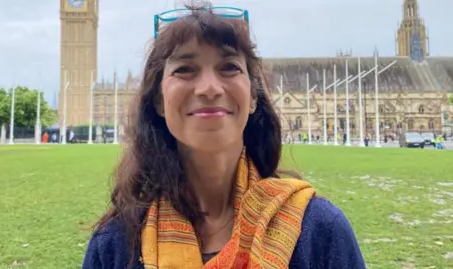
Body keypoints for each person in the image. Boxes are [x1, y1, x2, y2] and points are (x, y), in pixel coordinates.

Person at [82, 3, 365, 269]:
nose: (209, 88)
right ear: (158, 100)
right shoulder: (115, 245)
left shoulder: (320, 231)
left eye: (229, 67)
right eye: (184, 69)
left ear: (253, 96)